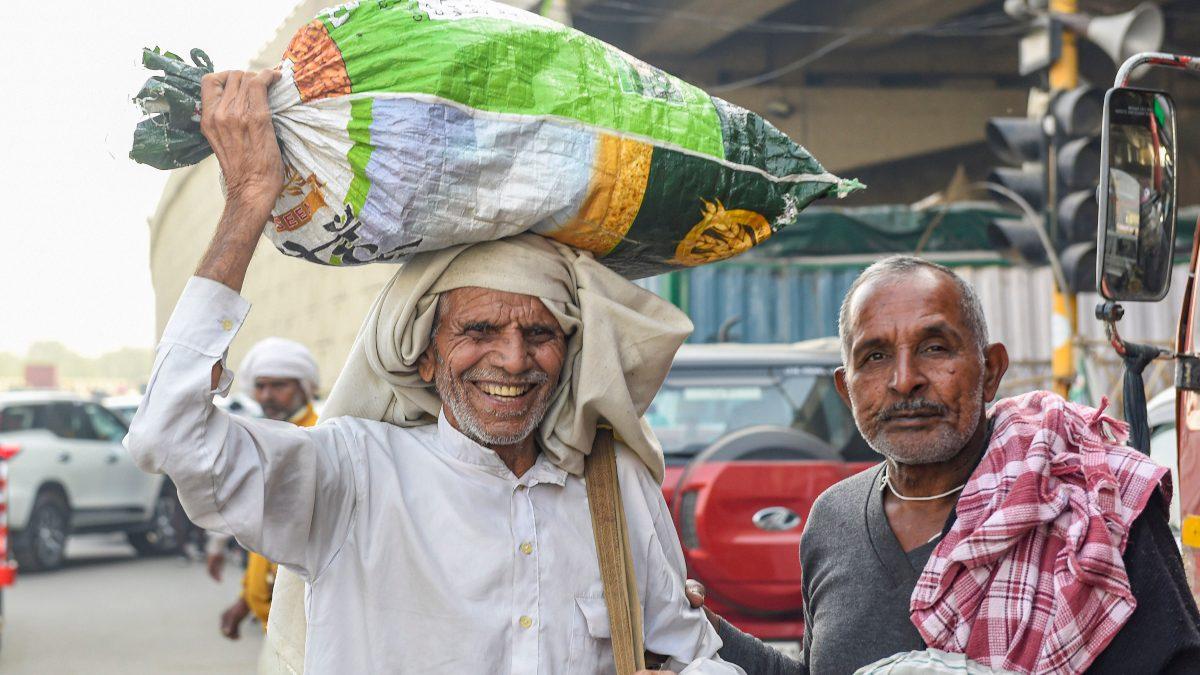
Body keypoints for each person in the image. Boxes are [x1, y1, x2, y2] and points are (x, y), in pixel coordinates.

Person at [124, 68, 741, 674]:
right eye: (479, 331)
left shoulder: (615, 485)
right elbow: (168, 434)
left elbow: (693, 655)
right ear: (423, 352)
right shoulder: (350, 476)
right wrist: (250, 198)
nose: (514, 359)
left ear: (568, 353)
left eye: (540, 333)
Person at [688, 256, 1200, 674]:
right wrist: (695, 628)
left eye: (935, 348)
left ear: (991, 370)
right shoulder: (833, 519)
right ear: (847, 392)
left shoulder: (1087, 505)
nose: (905, 379)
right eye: (875, 357)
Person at [213, 337, 320, 640]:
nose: (267, 396)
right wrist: (245, 600)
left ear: (304, 386)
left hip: (305, 627)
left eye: (278, 386)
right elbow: (264, 536)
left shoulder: (322, 435)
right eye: (261, 386)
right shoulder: (267, 437)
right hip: (271, 624)